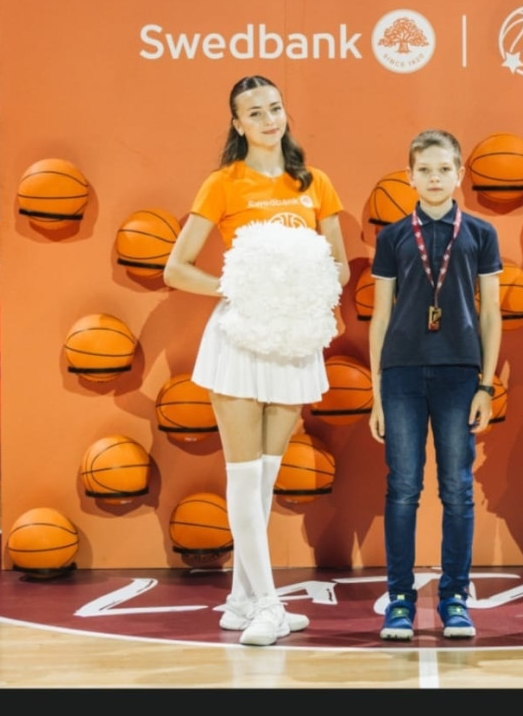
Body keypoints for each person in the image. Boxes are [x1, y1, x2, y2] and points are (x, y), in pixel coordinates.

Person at [164, 74, 350, 647]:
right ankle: (269, 605)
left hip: (292, 341)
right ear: (238, 124)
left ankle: (240, 599)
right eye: (255, 112)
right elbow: (176, 268)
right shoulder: (223, 183)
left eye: (275, 108)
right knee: (245, 477)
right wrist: (240, 287)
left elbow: (339, 267)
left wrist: (304, 291)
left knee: (266, 479)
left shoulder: (314, 183)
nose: (269, 120)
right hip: (241, 339)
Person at [368, 129, 503, 641]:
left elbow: (491, 313)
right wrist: (376, 393)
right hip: (401, 374)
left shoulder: (481, 233)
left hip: (459, 374)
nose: (434, 178)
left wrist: (486, 385)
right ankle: (400, 600)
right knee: (403, 488)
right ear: (409, 177)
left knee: (457, 490)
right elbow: (380, 317)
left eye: (444, 169)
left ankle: (454, 600)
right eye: (424, 170)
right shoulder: (393, 237)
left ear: (460, 174)